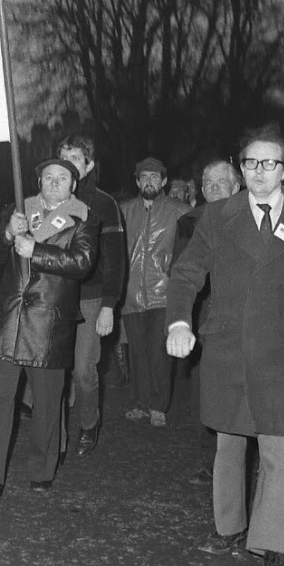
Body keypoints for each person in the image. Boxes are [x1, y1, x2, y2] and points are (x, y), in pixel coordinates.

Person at [166, 125, 284, 566]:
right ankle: (228, 527)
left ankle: (271, 547)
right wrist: (179, 322)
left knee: (277, 447)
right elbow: (186, 274)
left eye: (268, 163)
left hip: (283, 347)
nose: (258, 172)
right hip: (228, 342)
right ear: (240, 166)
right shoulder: (218, 214)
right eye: (249, 163)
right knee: (229, 442)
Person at [0, 156, 98, 497]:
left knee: (48, 401)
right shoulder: (19, 211)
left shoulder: (83, 219)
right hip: (9, 318)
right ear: (38, 182)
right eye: (48, 177)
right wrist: (8, 232)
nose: (54, 183)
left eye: (62, 178)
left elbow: (81, 263)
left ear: (73, 184)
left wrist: (36, 251)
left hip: (48, 324)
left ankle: (41, 471)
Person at [57, 135, 125, 456]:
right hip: (56, 296)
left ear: (89, 165)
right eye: (64, 156)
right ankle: (53, 430)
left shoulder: (103, 203)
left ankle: (88, 423)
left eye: (76, 157)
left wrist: (109, 305)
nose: (69, 162)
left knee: (84, 368)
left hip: (91, 297)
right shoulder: (48, 197)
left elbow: (115, 259)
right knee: (55, 364)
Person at [178, 158, 242, 483]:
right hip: (204, 321)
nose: (214, 189)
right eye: (208, 184)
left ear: (237, 187)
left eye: (221, 183)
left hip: (244, 324)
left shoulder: (254, 222)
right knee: (205, 391)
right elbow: (181, 271)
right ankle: (211, 459)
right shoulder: (189, 222)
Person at [119, 156, 191, 427]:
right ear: (137, 181)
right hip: (131, 293)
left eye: (154, 177)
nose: (149, 181)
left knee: (160, 352)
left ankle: (159, 405)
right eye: (144, 177)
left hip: (164, 293)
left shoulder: (179, 211)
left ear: (163, 181)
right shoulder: (124, 211)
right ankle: (139, 402)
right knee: (136, 351)